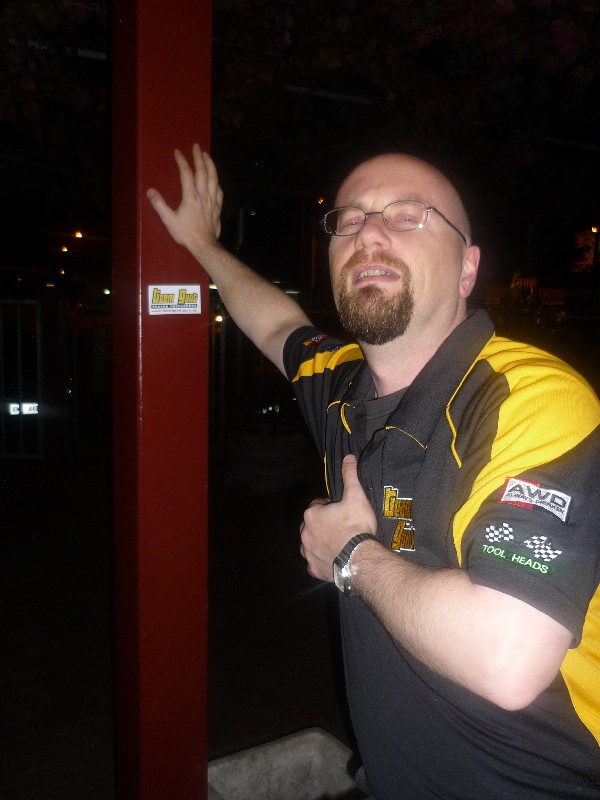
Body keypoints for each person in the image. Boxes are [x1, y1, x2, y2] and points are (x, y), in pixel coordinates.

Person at [147, 145, 600, 799]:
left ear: (468, 268)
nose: (370, 234)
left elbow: (509, 659)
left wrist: (352, 556)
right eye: (350, 220)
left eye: (409, 215)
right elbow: (276, 324)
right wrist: (201, 244)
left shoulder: (528, 398)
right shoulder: (341, 384)